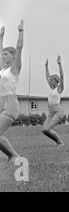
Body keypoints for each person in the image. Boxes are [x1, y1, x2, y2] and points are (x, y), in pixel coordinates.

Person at [0, 21, 24, 163]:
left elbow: (19, 48)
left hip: (10, 105)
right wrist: (1, 37)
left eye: (6, 54)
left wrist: (21, 32)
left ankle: (14, 155)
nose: (3, 56)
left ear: (13, 57)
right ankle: (12, 156)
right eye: (2, 54)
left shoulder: (14, 70)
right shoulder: (2, 70)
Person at [42, 55, 65, 146]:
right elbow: (47, 76)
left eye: (51, 80)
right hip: (51, 112)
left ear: (55, 81)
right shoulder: (52, 89)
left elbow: (62, 76)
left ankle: (60, 142)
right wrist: (46, 67)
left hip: (58, 111)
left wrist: (59, 64)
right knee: (44, 130)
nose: (49, 81)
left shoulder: (59, 89)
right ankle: (58, 142)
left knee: (48, 129)